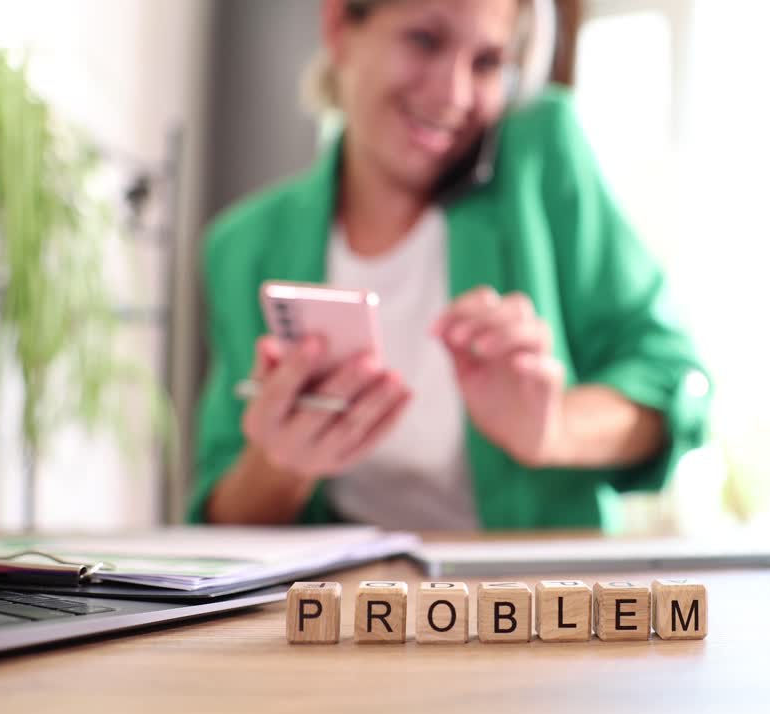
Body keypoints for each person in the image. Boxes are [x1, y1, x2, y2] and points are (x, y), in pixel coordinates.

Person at [189, 0, 711, 530]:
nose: (453, 96)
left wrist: (555, 429)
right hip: (352, 603)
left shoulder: (540, 156)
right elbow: (219, 519)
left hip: (529, 598)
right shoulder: (244, 247)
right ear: (340, 26)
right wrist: (281, 464)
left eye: (486, 62)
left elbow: (674, 376)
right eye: (424, 40)